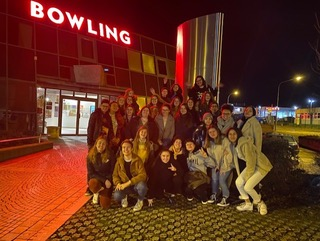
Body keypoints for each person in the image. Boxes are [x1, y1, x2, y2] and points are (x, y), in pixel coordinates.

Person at [227, 127, 273, 215]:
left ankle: (260, 203)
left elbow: (251, 161)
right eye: (230, 134)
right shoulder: (235, 144)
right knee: (238, 182)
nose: (232, 136)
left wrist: (248, 177)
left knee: (247, 187)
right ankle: (248, 203)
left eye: (234, 134)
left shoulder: (244, 144)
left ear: (238, 134)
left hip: (261, 166)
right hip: (252, 165)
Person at [112, 140, 148, 212]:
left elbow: (143, 175)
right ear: (121, 149)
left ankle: (140, 200)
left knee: (142, 187)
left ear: (132, 149)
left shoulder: (137, 159)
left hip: (135, 185)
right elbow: (115, 175)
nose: (126, 149)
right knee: (116, 196)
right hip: (124, 186)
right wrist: (118, 183)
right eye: (124, 147)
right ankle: (124, 197)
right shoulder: (119, 161)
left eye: (128, 147)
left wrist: (129, 182)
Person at [203, 125, 233, 206]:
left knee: (221, 179)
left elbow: (228, 155)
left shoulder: (224, 140)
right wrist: (215, 165)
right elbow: (211, 157)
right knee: (214, 178)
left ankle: (226, 197)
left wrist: (223, 167)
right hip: (216, 165)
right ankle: (214, 194)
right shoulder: (209, 143)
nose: (212, 133)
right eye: (210, 132)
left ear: (217, 131)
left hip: (226, 164)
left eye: (214, 131)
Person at [86, 99, 110, 196]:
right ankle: (89, 187)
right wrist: (89, 142)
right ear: (100, 105)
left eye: (106, 106)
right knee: (92, 163)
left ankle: (100, 183)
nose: (105, 108)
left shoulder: (108, 116)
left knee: (102, 163)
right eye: (103, 106)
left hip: (104, 142)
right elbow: (90, 128)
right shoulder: (95, 114)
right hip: (95, 142)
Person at [87, 136, 115, 209]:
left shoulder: (111, 154)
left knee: (105, 205)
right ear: (96, 144)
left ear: (106, 146)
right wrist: (104, 180)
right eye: (99, 143)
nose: (101, 146)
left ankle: (102, 191)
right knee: (93, 183)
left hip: (108, 180)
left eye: (103, 144)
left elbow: (113, 170)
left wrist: (108, 181)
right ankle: (96, 192)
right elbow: (91, 173)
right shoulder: (90, 156)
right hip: (97, 180)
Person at [184, 139, 215, 204]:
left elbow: (213, 165)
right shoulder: (187, 155)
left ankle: (204, 197)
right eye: (187, 145)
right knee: (188, 190)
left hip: (202, 177)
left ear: (194, 145)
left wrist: (206, 157)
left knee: (197, 190)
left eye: (191, 144)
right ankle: (192, 193)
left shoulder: (200, 153)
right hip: (192, 177)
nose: (189, 146)